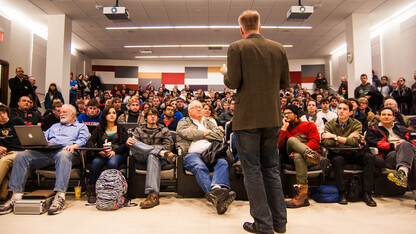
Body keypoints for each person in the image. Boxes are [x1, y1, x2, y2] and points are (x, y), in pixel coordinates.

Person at [221, 10, 289, 233]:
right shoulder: (279, 48)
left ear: (242, 30)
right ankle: (279, 223)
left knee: (252, 171)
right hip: (272, 117)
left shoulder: (236, 47)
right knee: (271, 169)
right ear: (260, 27)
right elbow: (284, 83)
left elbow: (233, 82)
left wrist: (225, 72)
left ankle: (262, 223)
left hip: (247, 119)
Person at [0, 104, 89, 215]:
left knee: (63, 155)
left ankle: (60, 196)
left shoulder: (80, 127)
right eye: (60, 112)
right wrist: (38, 142)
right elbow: (42, 136)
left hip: (67, 152)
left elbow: (83, 140)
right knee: (21, 156)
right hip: (47, 152)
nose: (61, 114)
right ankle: (15, 196)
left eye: (64, 112)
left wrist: (73, 146)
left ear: (72, 114)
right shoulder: (54, 126)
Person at [177, 100, 236, 215]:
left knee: (222, 163)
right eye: (195, 107)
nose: (199, 109)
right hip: (191, 154)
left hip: (211, 153)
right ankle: (217, 195)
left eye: (200, 107)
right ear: (189, 111)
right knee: (200, 166)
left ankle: (216, 192)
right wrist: (205, 133)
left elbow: (219, 136)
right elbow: (184, 133)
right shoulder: (184, 121)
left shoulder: (209, 122)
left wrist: (197, 133)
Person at [321, 100, 377, 207]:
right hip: (339, 153)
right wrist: (347, 139)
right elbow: (327, 142)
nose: (341, 111)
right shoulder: (330, 124)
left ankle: (367, 193)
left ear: (351, 112)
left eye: (345, 109)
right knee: (337, 160)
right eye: (340, 109)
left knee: (370, 157)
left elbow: (355, 142)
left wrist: (335, 137)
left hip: (355, 153)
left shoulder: (356, 124)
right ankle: (342, 193)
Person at [278, 105, 328, 208]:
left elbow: (315, 142)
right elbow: (279, 145)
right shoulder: (285, 128)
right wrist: (284, 128)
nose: (286, 115)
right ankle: (318, 159)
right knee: (291, 140)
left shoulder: (309, 125)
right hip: (292, 157)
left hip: (307, 159)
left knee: (298, 156)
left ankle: (302, 197)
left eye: (288, 113)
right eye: (284, 113)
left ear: (296, 114)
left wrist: (299, 151)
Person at [365, 107, 416, 208]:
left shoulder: (402, 129)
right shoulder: (374, 129)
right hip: (389, 156)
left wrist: (405, 143)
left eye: (389, 115)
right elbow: (373, 142)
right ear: (379, 117)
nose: (386, 117)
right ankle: (404, 174)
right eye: (383, 115)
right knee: (409, 153)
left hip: (407, 155)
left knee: (408, 151)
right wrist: (393, 145)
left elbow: (414, 140)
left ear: (393, 117)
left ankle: (402, 172)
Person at [128, 107, 176, 209]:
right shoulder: (138, 130)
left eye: (155, 114)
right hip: (142, 157)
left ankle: (152, 195)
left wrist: (151, 151)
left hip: (159, 159)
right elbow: (135, 145)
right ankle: (158, 152)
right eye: (150, 114)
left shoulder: (164, 130)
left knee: (152, 156)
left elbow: (168, 147)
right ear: (145, 118)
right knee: (132, 142)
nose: (153, 116)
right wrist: (158, 150)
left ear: (158, 117)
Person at [85, 106, 129, 204]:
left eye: (114, 113)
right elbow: (90, 142)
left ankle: (113, 190)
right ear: (105, 116)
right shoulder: (99, 128)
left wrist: (115, 151)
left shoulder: (121, 128)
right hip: (102, 153)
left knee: (112, 162)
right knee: (96, 163)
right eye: (109, 113)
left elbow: (125, 144)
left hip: (117, 153)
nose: (112, 115)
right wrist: (98, 151)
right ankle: (92, 191)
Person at [0, 105, 25, 201]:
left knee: (4, 161)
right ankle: (5, 193)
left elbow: (28, 135)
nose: (3, 115)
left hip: (17, 152)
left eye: (4, 112)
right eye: (0, 114)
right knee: (2, 196)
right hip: (3, 153)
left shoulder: (16, 121)